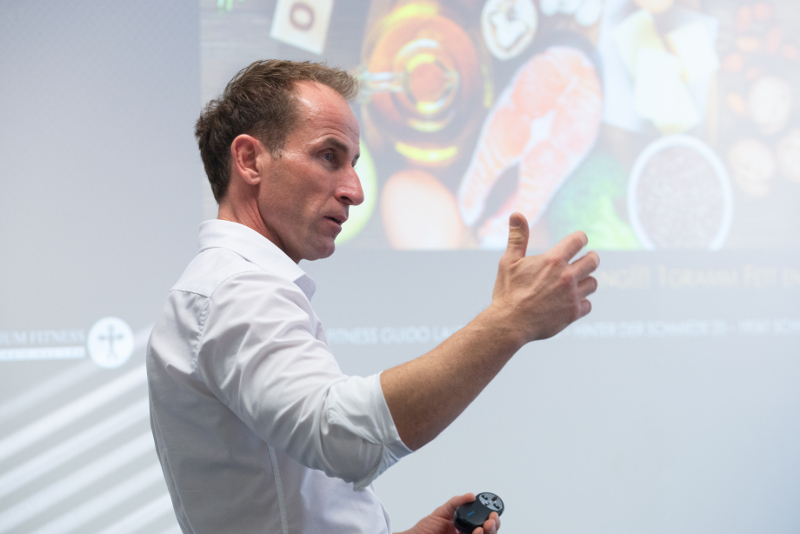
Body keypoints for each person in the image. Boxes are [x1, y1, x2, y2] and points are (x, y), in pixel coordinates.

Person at [146, 59, 598, 534]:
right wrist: (510, 321)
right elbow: (342, 440)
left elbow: (285, 501)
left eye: (354, 164)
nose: (355, 191)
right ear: (250, 160)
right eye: (329, 156)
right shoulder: (234, 290)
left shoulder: (235, 287)